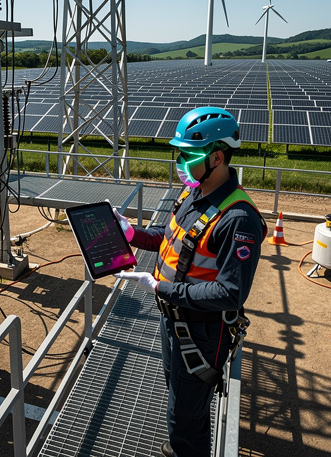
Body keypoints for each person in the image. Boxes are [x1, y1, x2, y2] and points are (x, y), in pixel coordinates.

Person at [113, 107, 266, 457]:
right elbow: (171, 242)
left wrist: (160, 288)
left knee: (184, 411)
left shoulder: (238, 219)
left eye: (187, 155)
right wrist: (131, 233)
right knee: (182, 399)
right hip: (175, 320)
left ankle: (184, 449)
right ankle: (185, 445)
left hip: (202, 331)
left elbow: (230, 293)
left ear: (216, 157)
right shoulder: (192, 195)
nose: (179, 162)